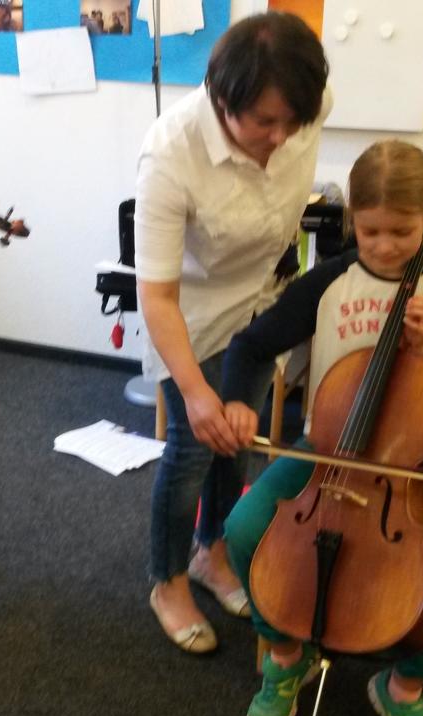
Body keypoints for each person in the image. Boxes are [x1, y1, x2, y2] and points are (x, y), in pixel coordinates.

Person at [221, 140, 423, 716]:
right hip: (326, 450)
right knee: (243, 530)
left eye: (402, 232)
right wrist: (237, 402)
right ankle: (285, 655)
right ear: (353, 221)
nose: (386, 246)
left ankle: (402, 690)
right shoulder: (330, 281)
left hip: (413, 466)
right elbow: (250, 345)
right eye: (370, 231)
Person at [134, 12, 331, 654]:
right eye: (264, 122)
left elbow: (297, 117)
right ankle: (167, 580)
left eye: (292, 124)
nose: (281, 137)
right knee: (194, 445)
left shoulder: (305, 104)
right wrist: (195, 393)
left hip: (260, 306)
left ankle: (211, 551)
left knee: (237, 438)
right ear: (223, 99)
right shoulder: (170, 153)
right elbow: (157, 296)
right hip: (190, 315)